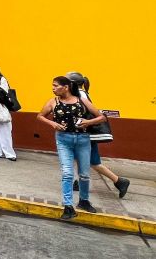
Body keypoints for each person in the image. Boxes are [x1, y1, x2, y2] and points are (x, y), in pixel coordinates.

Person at [37, 75, 106, 220]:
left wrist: (88, 122)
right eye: (53, 86)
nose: (53, 88)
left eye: (56, 86)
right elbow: (40, 116)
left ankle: (84, 201)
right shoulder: (53, 102)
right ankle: (68, 206)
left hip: (83, 140)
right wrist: (53, 124)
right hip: (63, 140)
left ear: (66, 87)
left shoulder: (82, 101)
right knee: (67, 173)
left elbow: (101, 117)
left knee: (84, 174)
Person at [66, 72, 131, 199]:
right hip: (82, 133)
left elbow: (86, 113)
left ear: (72, 83)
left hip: (86, 134)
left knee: (94, 162)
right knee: (77, 158)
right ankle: (78, 182)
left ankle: (119, 181)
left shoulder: (80, 94)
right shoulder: (80, 93)